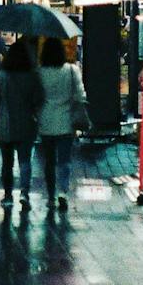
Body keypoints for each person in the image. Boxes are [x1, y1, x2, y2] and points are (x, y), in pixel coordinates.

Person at [36, 37, 89, 211]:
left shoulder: (39, 72)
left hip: (45, 122)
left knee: (49, 161)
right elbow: (80, 95)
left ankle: (50, 196)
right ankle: (63, 192)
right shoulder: (72, 70)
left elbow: (34, 98)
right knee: (64, 160)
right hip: (66, 121)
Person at [0, 40, 43, 210]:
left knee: (7, 162)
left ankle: (7, 196)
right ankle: (24, 193)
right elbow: (38, 99)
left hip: (5, 123)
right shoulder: (32, 75)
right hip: (26, 122)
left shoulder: (1, 75)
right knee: (25, 160)